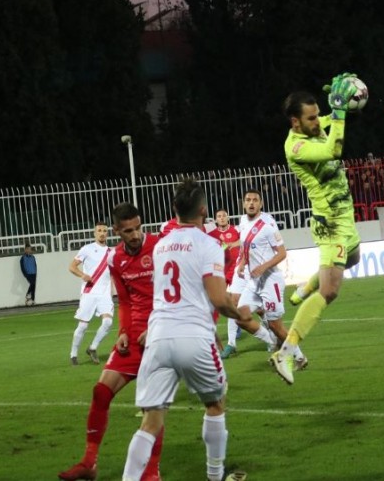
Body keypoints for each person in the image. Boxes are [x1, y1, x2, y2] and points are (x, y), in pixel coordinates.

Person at [120, 179, 250, 481]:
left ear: (174, 209)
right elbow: (218, 299)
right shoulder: (208, 244)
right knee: (215, 403)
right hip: (193, 337)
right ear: (203, 210)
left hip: (158, 337)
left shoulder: (160, 245)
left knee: (151, 421)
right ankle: (215, 476)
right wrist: (241, 316)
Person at [58, 204, 163, 481]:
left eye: (138, 228)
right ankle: (89, 462)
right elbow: (125, 301)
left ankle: (152, 473)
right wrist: (123, 332)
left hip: (161, 332)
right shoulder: (115, 258)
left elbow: (174, 293)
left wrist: (157, 328)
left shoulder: (159, 247)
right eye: (128, 231)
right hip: (135, 334)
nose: (135, 235)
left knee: (151, 406)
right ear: (116, 230)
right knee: (101, 392)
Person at [269, 75, 362, 385]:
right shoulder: (296, 146)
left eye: (317, 114)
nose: (317, 121)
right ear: (295, 122)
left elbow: (335, 120)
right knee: (330, 290)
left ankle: (305, 288)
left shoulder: (313, 125)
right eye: (311, 118)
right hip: (330, 222)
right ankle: (286, 352)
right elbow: (334, 149)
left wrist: (344, 104)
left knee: (354, 258)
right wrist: (339, 114)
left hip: (345, 214)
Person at [223, 190, 305, 367]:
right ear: (243, 204)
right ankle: (272, 341)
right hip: (254, 283)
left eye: (255, 200)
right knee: (240, 317)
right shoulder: (243, 221)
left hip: (270, 281)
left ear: (261, 204)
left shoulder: (268, 225)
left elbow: (282, 253)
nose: (251, 203)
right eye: (248, 200)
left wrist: (263, 267)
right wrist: (243, 262)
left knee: (275, 325)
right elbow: (246, 245)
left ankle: (299, 357)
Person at [68, 222, 114, 365]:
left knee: (108, 322)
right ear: (94, 233)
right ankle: (73, 354)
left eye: (104, 231)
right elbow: (72, 267)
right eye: (99, 230)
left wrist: (112, 292)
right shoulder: (87, 249)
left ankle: (92, 348)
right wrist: (83, 275)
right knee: (83, 326)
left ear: (107, 233)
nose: (102, 233)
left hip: (105, 294)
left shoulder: (111, 252)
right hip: (90, 291)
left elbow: (112, 274)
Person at [208, 208, 244, 358]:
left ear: (227, 218)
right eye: (219, 216)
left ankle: (235, 328)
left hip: (236, 269)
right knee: (220, 300)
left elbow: (244, 240)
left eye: (224, 215)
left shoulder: (236, 230)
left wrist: (232, 244)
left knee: (237, 300)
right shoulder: (212, 234)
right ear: (216, 220)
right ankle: (235, 322)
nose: (222, 218)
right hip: (221, 270)